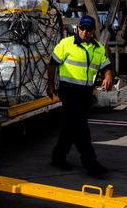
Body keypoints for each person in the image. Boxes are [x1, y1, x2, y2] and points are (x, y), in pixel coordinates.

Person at [46, 15, 114, 177]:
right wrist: (50, 85)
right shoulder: (66, 44)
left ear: (93, 31)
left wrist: (108, 75)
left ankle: (58, 157)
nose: (84, 31)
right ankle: (90, 162)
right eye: (82, 28)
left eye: (88, 29)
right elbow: (53, 64)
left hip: (85, 93)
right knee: (81, 127)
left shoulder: (98, 48)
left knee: (71, 127)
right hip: (69, 91)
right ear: (78, 29)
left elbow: (106, 65)